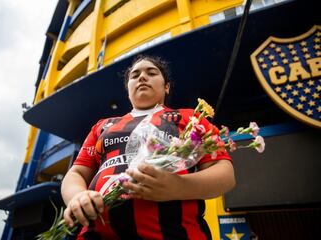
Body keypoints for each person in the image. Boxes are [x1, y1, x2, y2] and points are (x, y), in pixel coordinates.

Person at [61, 55, 235, 240]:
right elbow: (77, 173)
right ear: (128, 89)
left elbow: (225, 174)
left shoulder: (192, 119)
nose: (142, 77)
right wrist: (77, 197)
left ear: (166, 86)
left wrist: (179, 187)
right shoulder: (102, 126)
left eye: (151, 73)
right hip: (94, 234)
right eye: (135, 76)